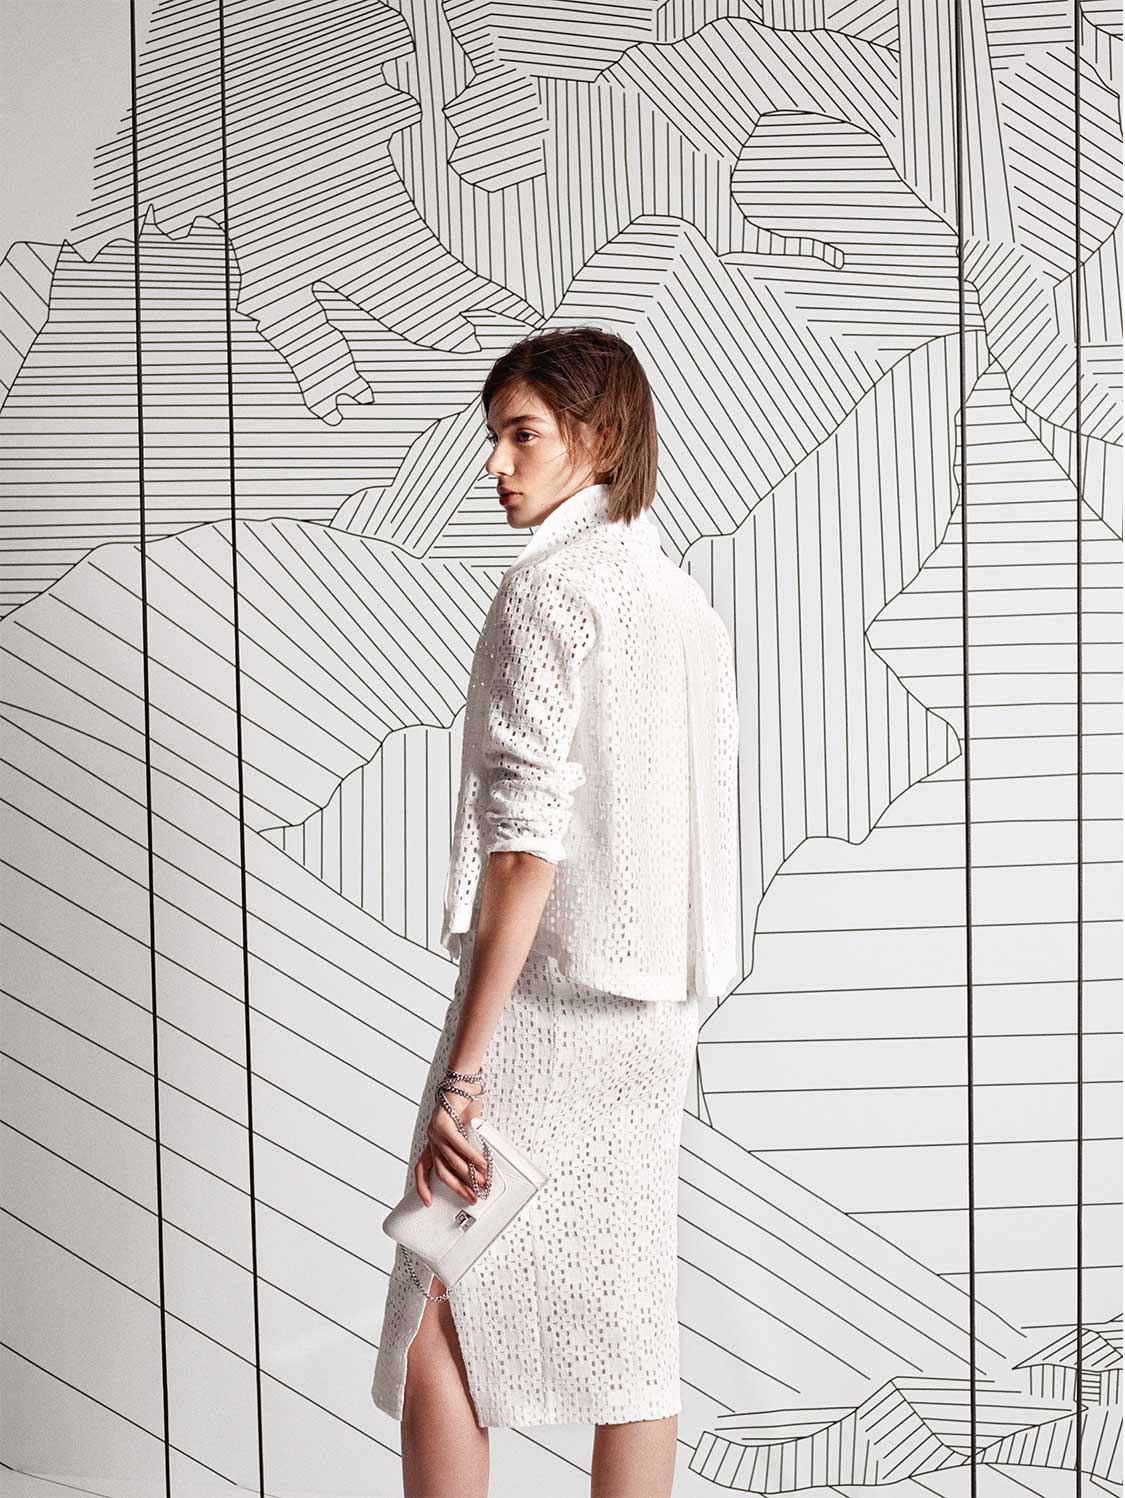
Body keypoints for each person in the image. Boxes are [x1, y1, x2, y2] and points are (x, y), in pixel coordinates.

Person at [370, 327, 740, 1497]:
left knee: (439, 1288)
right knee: (632, 1324)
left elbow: (525, 847)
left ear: (604, 437)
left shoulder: (548, 592)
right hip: (658, 1017)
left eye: (523, 434)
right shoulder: (687, 607)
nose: (497, 463)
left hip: (548, 1003)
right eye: (494, 436)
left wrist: (465, 1072)